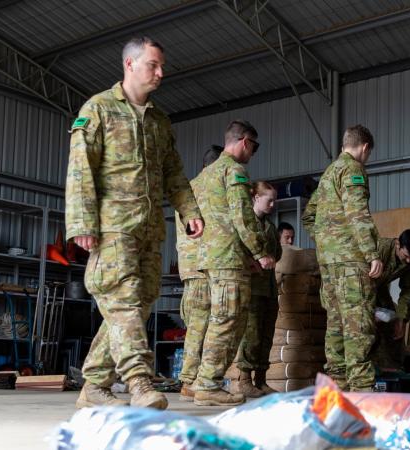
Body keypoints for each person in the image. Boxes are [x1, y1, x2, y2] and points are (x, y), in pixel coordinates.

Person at [66, 36, 203, 409]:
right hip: (112, 228)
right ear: (129, 64)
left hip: (148, 229)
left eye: (162, 67)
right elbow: (81, 170)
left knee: (137, 306)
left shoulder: (159, 121)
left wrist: (189, 210)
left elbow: (174, 172)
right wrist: (82, 223)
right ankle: (139, 382)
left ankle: (94, 385)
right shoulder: (99, 109)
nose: (160, 73)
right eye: (153, 65)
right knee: (124, 304)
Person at [191, 120, 275, 406]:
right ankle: (208, 384)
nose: (253, 153)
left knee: (224, 319)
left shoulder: (204, 177)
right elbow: (242, 216)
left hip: (213, 257)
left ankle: (207, 381)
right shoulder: (234, 170)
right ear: (244, 142)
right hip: (228, 258)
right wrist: (259, 251)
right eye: (255, 146)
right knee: (227, 321)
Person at [302, 124, 382, 392]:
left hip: (329, 264)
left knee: (335, 323)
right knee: (358, 323)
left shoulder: (328, 174)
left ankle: (337, 384)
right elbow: (358, 213)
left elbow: (308, 215)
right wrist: (372, 253)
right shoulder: (353, 169)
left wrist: (327, 241)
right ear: (365, 147)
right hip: (350, 262)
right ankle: (361, 388)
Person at [175, 147, 220, 402]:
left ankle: (193, 379)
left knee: (197, 326)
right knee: (199, 328)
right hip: (202, 267)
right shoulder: (207, 189)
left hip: (190, 268)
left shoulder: (189, 189)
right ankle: (190, 381)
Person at [235, 181, 283, 398]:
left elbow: (278, 253)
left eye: (274, 200)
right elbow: (238, 250)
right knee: (251, 334)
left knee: (266, 335)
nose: (272, 204)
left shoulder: (270, 226)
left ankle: (261, 380)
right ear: (256, 198)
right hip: (253, 288)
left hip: (270, 288)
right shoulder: (247, 223)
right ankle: (244, 379)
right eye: (269, 200)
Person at [371, 229, 410, 372]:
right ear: (397, 244)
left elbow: (409, 290)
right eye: (405, 256)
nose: (408, 261)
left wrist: (401, 319)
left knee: (392, 321)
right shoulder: (379, 249)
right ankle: (368, 370)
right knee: (366, 324)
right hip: (359, 288)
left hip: (379, 288)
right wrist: (369, 311)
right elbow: (359, 282)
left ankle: (393, 368)